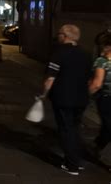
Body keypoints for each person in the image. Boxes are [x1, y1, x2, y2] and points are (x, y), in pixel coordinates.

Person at [38, 24, 91, 176]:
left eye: (59, 33)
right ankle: (78, 161)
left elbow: (50, 78)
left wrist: (44, 94)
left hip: (63, 98)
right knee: (75, 129)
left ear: (65, 36)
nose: (58, 36)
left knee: (66, 130)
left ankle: (72, 165)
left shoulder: (59, 53)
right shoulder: (86, 54)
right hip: (81, 98)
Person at [89, 35, 111, 151]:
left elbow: (97, 84)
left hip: (106, 98)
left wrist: (86, 95)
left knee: (108, 124)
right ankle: (99, 144)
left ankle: (100, 146)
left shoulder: (102, 62)